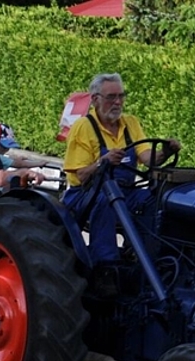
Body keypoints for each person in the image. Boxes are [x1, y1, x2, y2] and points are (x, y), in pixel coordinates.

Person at [62, 73, 181, 265]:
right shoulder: (83, 127)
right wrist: (103, 161)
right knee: (107, 201)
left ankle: (146, 258)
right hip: (86, 194)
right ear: (95, 100)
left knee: (154, 200)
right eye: (111, 97)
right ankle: (105, 265)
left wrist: (165, 152)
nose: (118, 102)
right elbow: (81, 175)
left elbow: (147, 158)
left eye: (121, 96)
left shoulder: (130, 123)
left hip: (124, 191)